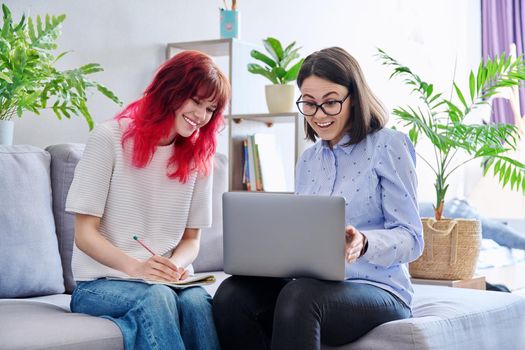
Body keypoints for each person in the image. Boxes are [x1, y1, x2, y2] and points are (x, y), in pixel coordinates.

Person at [213, 47, 424, 349]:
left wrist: (364, 242)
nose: (319, 115)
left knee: (300, 298)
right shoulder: (308, 160)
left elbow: (412, 239)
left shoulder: (389, 145)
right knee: (232, 294)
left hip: (379, 289)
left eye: (331, 103)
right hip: (316, 287)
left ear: (354, 98)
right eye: (309, 104)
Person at [66, 50, 230, 350]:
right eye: (195, 101)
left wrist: (174, 266)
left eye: (210, 108)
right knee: (157, 297)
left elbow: (192, 240)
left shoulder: (199, 159)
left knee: (196, 300)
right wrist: (138, 269)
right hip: (99, 285)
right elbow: (84, 234)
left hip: (167, 282)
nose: (201, 116)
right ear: (171, 90)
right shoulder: (108, 138)